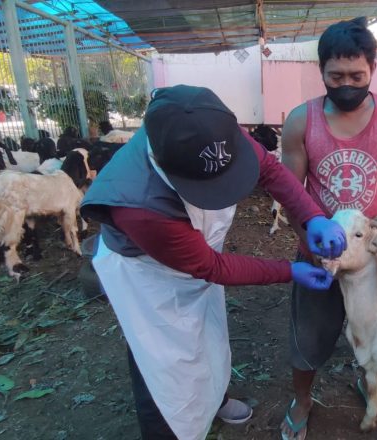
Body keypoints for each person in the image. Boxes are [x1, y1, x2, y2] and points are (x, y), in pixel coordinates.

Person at [80, 85, 347, 440]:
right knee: (161, 364)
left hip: (194, 253)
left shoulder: (210, 128)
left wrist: (313, 217)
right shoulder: (139, 205)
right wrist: (288, 271)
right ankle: (167, 430)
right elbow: (212, 267)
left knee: (208, 334)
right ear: (164, 164)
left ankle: (214, 400)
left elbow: (267, 167)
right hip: (148, 275)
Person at [279, 17, 377, 440]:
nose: (347, 84)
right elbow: (291, 192)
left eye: (356, 75)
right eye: (336, 76)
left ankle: (375, 392)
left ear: (373, 70)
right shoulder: (300, 121)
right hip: (322, 253)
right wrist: (308, 235)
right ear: (321, 71)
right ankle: (303, 400)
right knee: (310, 333)